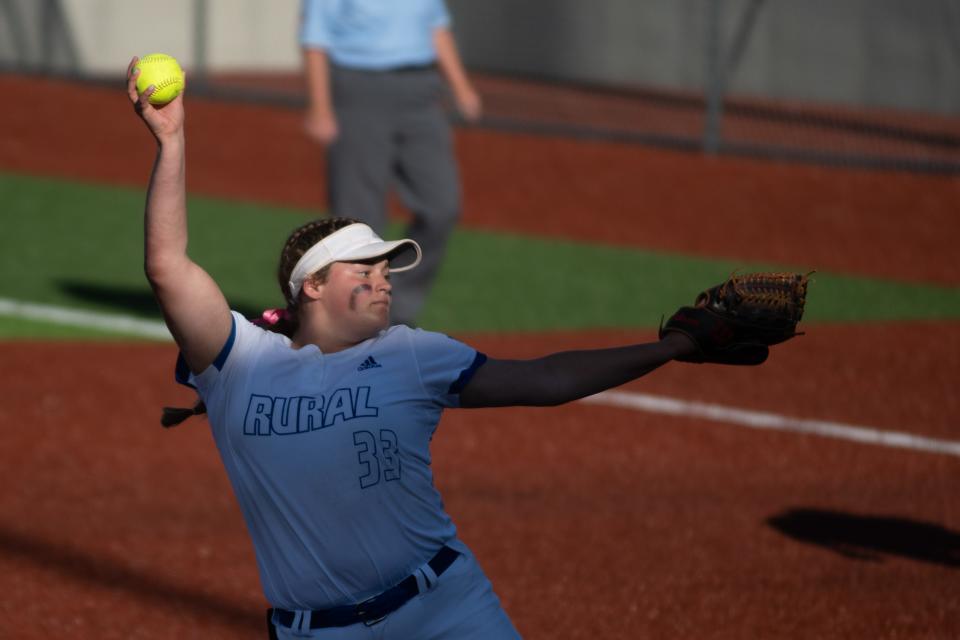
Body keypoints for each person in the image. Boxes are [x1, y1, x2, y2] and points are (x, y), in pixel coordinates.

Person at [128, 60, 701, 640]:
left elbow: (546, 381)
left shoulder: (412, 354)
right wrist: (172, 140)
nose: (383, 280)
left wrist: (672, 348)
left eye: (387, 269)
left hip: (449, 609)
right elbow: (167, 267)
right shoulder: (238, 362)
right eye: (365, 268)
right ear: (313, 285)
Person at [299, 0, 482, 328]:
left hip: (421, 91)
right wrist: (321, 107)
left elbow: (436, 29)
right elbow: (316, 40)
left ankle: (399, 310)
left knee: (442, 206)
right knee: (358, 222)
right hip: (358, 88)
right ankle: (356, 320)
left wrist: (461, 87)